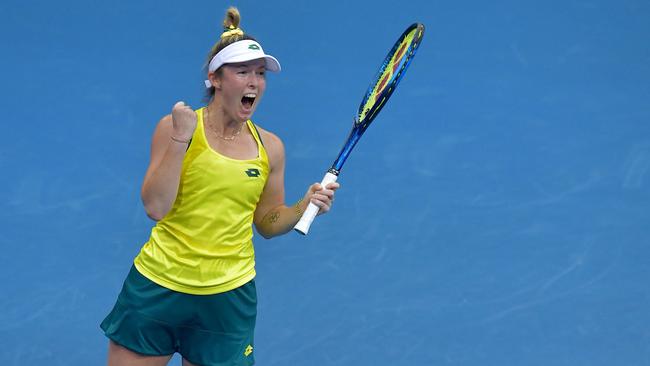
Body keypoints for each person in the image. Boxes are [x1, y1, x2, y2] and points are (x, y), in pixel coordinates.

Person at [100, 7, 339, 366]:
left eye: (260, 74)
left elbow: (268, 224)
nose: (254, 82)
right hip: (158, 286)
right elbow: (155, 207)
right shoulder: (174, 126)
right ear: (215, 78)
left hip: (228, 298)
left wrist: (302, 206)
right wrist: (181, 139)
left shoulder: (270, 148)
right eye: (242, 72)